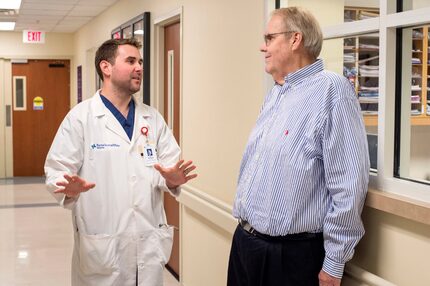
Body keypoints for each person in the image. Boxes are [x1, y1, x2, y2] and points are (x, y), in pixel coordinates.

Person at [227, 7, 369, 286]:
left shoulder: (332, 90)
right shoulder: (276, 94)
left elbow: (349, 184)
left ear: (295, 39)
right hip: (246, 244)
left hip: (289, 256)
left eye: (269, 38)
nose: (262, 47)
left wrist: (334, 263)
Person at [45, 38, 197, 286]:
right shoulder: (81, 119)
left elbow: (167, 165)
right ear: (106, 67)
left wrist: (171, 179)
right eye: (131, 61)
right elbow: (56, 169)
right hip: (103, 249)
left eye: (140, 62)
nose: (139, 67)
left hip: (147, 245)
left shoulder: (152, 118)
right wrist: (66, 187)